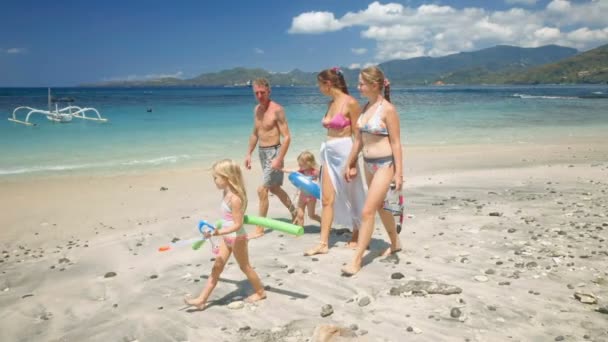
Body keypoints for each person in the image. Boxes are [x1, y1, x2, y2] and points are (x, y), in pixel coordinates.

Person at [341, 66, 403, 276]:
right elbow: (359, 140)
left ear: (374, 85)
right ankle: (395, 242)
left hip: (385, 164)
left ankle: (357, 260)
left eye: (361, 83)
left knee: (367, 211)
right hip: (367, 164)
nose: (358, 87)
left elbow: (396, 143)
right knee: (380, 207)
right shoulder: (366, 106)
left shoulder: (388, 110)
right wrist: (349, 163)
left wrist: (399, 173)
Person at [184, 159, 266, 310]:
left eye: (216, 177)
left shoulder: (235, 199)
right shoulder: (225, 193)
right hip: (226, 238)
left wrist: (218, 232)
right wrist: (214, 229)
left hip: (237, 239)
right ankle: (202, 300)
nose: (214, 181)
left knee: (245, 267)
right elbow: (226, 220)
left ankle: (260, 292)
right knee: (217, 267)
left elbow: (237, 224)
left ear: (227, 177)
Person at [304, 67, 367, 256]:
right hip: (329, 153)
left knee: (352, 195)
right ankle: (323, 243)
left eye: (319, 84)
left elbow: (358, 136)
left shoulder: (351, 103)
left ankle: (357, 233)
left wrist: (353, 163)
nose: (318, 88)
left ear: (328, 84)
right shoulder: (331, 103)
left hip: (345, 153)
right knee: (326, 199)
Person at [244, 78, 297, 239]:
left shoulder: (277, 110)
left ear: (269, 92)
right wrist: (249, 153)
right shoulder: (256, 110)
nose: (259, 96)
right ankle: (295, 213)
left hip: (274, 152)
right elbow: (255, 133)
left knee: (263, 189)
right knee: (273, 188)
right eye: (256, 93)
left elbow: (287, 137)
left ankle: (260, 228)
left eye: (262, 92)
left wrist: (279, 158)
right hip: (262, 151)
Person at [282, 151, 322, 226]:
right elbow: (290, 170)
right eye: (299, 164)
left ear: (309, 163)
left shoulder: (315, 172)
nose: (299, 166)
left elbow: (323, 176)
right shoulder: (300, 171)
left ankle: (322, 221)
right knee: (300, 215)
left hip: (311, 197)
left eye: (301, 165)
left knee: (311, 215)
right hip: (302, 196)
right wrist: (280, 168)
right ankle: (300, 231)